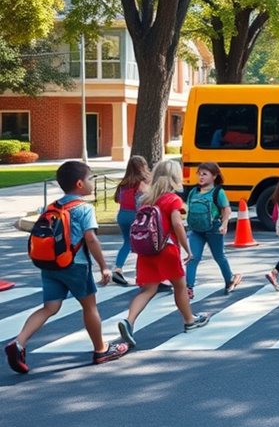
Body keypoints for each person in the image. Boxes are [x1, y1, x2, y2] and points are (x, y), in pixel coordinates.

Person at [5, 161, 129, 373]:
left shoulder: (52, 206)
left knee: (50, 308)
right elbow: (91, 239)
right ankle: (101, 350)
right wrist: (104, 267)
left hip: (50, 265)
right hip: (76, 266)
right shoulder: (84, 208)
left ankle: (19, 342)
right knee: (90, 307)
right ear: (80, 183)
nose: (92, 183)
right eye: (91, 179)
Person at [117, 160, 211, 349]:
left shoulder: (145, 198)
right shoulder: (172, 199)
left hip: (146, 250)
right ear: (175, 178)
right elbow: (177, 225)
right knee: (180, 286)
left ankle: (129, 320)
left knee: (148, 290)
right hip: (166, 249)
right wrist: (187, 249)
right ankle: (189, 320)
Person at [185, 162, 243, 299]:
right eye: (199, 174)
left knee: (219, 257)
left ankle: (229, 280)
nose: (201, 177)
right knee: (193, 258)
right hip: (196, 230)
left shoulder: (218, 192)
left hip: (214, 229)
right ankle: (189, 288)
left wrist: (224, 224)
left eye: (205, 174)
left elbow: (226, 210)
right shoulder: (193, 191)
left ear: (214, 176)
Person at [112, 155, 150, 285]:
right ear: (143, 167)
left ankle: (118, 268)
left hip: (122, 215)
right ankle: (143, 273)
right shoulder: (142, 183)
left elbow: (117, 199)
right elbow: (146, 199)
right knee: (142, 243)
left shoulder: (123, 183)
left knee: (127, 243)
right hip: (135, 215)